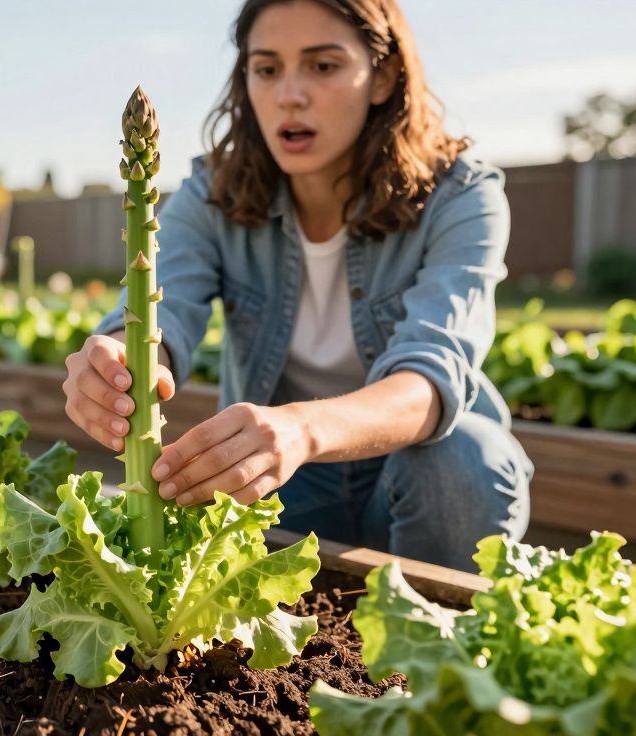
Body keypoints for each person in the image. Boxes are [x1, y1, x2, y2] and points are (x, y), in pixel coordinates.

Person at [62, 0, 531, 571]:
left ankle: (440, 628)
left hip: (407, 474)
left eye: (323, 66)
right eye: (267, 69)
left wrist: (302, 429)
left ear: (384, 77)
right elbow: (166, 309)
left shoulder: (461, 198)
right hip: (283, 484)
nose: (289, 95)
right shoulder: (212, 195)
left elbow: (431, 378)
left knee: (467, 461)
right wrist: (115, 363)